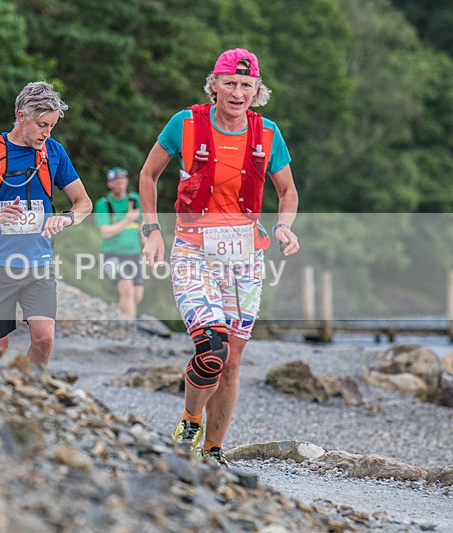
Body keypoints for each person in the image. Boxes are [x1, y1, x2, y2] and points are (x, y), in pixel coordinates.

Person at [139, 48, 299, 466]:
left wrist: (283, 226)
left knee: (231, 362)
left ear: (256, 90)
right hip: (193, 251)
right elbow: (149, 175)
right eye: (230, 83)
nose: (238, 92)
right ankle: (190, 420)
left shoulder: (267, 133)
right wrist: (151, 230)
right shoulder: (185, 123)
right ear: (214, 85)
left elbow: (287, 191)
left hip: (245, 257)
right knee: (212, 348)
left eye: (246, 85)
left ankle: (213, 452)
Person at [0, 81, 92, 366]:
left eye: (52, 126)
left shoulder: (53, 152)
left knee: (44, 339)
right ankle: (5, 390)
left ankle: (31, 385)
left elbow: (84, 203)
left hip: (39, 265)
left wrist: (66, 218)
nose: (47, 133)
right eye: (42, 125)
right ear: (21, 116)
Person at [94, 167, 145, 318]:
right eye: (116, 182)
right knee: (127, 290)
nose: (120, 185)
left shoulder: (134, 199)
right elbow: (105, 232)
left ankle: (117, 316)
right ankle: (130, 326)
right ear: (109, 184)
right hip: (112, 255)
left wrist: (146, 241)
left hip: (134, 254)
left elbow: (143, 222)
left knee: (136, 296)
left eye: (122, 182)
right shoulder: (104, 204)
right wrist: (127, 219)